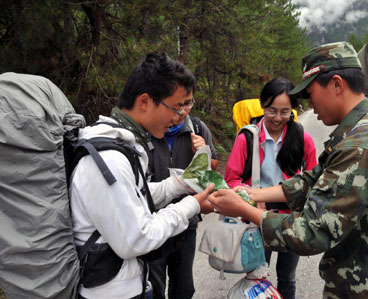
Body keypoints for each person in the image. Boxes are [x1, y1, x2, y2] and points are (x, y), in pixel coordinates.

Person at [209, 42, 368, 298]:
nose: (309, 104)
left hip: (367, 287)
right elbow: (313, 179)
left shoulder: (360, 146)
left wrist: (244, 209)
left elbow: (311, 232)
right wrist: (254, 195)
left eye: (310, 93)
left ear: (336, 84)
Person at [70, 52, 214, 299]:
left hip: (125, 285)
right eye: (177, 106)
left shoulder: (124, 145)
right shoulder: (110, 159)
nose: (181, 116)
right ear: (145, 101)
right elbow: (137, 239)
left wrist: (180, 183)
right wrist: (191, 205)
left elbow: (137, 196)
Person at [224, 78, 317, 299]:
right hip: (256, 217)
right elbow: (232, 179)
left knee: (287, 278)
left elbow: (314, 178)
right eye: (271, 110)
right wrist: (250, 197)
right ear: (262, 105)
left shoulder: (302, 137)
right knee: (256, 277)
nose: (277, 118)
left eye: (285, 112)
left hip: (291, 220)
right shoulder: (247, 138)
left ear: (294, 110)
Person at [146, 88, 218, 299]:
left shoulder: (197, 128)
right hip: (154, 222)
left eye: (189, 103)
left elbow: (212, 167)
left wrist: (203, 151)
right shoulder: (147, 131)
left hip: (187, 222)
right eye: (179, 104)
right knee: (154, 288)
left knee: (184, 288)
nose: (184, 111)